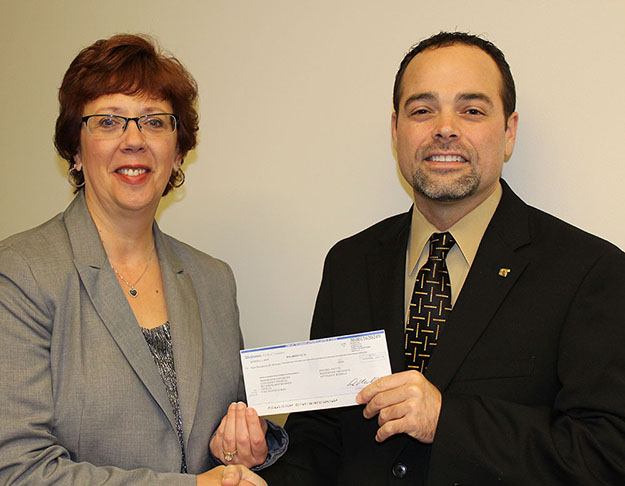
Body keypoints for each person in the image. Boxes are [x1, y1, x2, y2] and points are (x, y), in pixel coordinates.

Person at [259, 31, 625, 485]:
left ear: (508, 132)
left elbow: (607, 454)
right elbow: (321, 435)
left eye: (471, 110)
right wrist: (263, 473)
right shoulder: (349, 263)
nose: (444, 128)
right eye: (422, 110)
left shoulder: (588, 271)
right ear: (396, 131)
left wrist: (447, 422)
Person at [0, 34, 283, 486]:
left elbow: (234, 427)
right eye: (109, 121)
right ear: (75, 150)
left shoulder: (213, 279)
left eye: (154, 122)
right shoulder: (21, 273)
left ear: (177, 153)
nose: (134, 141)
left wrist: (243, 444)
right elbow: (18, 469)